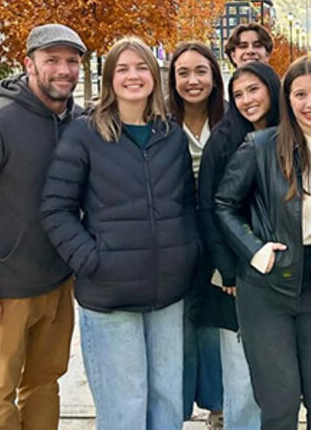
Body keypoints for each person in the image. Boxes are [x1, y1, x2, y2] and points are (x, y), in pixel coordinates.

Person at [41, 36, 199, 430]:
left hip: (168, 291)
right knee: (124, 406)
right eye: (123, 68)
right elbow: (56, 209)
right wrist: (93, 260)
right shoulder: (84, 135)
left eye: (141, 67)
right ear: (110, 78)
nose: (133, 76)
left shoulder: (171, 135)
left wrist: (188, 252)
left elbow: (186, 204)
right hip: (110, 293)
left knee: (166, 401)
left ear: (154, 76)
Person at [0, 23, 85, 430]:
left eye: (71, 61)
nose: (63, 70)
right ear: (29, 64)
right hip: (5, 289)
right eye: (52, 60)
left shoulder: (80, 123)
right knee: (0, 389)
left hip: (59, 283)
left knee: (44, 383)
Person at [215, 56, 311, 429]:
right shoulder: (259, 146)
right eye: (300, 94)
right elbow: (224, 204)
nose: (310, 103)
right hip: (266, 289)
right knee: (279, 405)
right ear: (287, 99)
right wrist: (254, 250)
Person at [199, 61, 281, 430]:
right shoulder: (224, 138)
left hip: (283, 274)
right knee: (241, 377)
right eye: (238, 94)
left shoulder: (291, 133)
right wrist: (228, 266)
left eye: (254, 90)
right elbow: (210, 207)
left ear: (272, 89)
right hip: (236, 275)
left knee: (275, 376)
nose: (247, 100)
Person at [167, 41, 226, 428]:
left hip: (221, 238)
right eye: (183, 73)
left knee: (215, 326)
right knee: (181, 327)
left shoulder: (231, 121)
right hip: (175, 239)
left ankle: (219, 406)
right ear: (171, 80)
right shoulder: (160, 124)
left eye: (201, 71)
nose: (192, 80)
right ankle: (177, 406)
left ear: (215, 76)